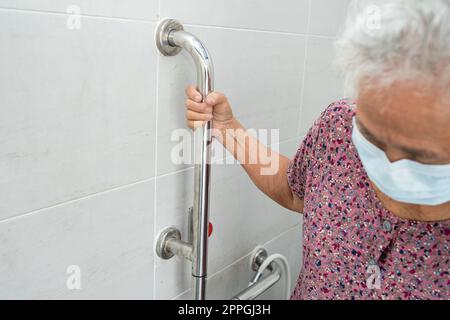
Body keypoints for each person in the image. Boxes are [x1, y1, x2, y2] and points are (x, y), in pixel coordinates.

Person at [184, 0, 450, 299]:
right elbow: (292, 190)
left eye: (421, 154)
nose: (388, 162)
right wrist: (227, 129)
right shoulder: (339, 126)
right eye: (373, 136)